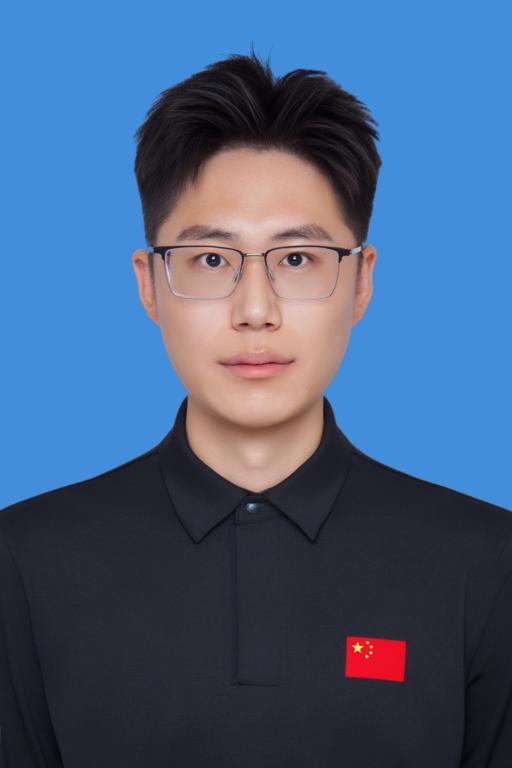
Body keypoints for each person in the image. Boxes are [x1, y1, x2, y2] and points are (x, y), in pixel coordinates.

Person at [1, 48, 511, 768]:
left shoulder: (486, 563)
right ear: (149, 284)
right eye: (212, 260)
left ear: (361, 282)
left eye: (296, 259)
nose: (255, 310)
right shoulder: (24, 561)